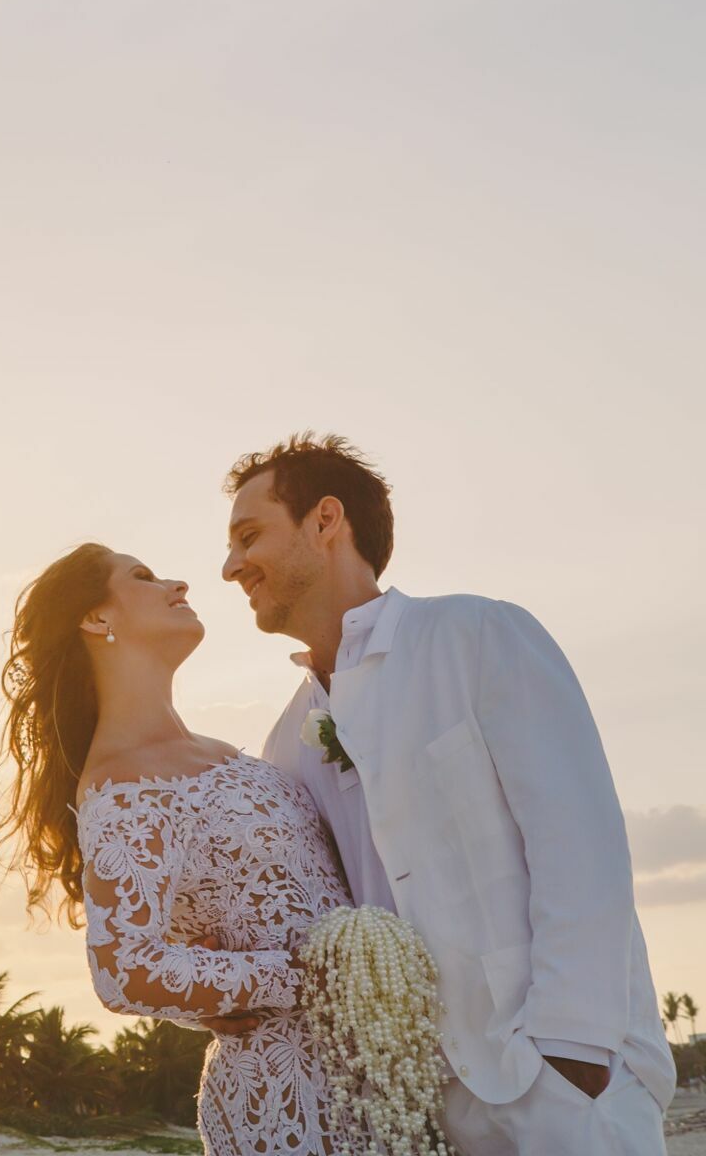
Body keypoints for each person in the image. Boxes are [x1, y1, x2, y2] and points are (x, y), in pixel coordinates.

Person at [209, 432, 673, 1156]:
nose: (231, 565)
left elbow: (579, 841)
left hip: (561, 1080)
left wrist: (571, 1050)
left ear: (326, 521)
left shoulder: (479, 634)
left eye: (249, 534)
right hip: (414, 1107)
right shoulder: (283, 741)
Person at [0, 543, 351, 1154]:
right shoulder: (123, 784)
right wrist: (307, 979)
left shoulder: (224, 751)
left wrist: (213, 996)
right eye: (143, 577)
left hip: (371, 1074)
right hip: (284, 1098)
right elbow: (124, 970)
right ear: (96, 619)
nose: (177, 582)